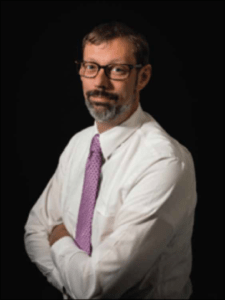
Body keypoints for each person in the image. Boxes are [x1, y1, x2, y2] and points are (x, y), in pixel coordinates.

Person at [24, 21, 197, 299]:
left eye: (117, 70)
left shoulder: (163, 162)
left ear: (143, 77)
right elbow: (34, 230)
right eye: (91, 67)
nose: (100, 83)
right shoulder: (79, 143)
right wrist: (70, 285)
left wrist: (58, 237)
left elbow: (97, 288)